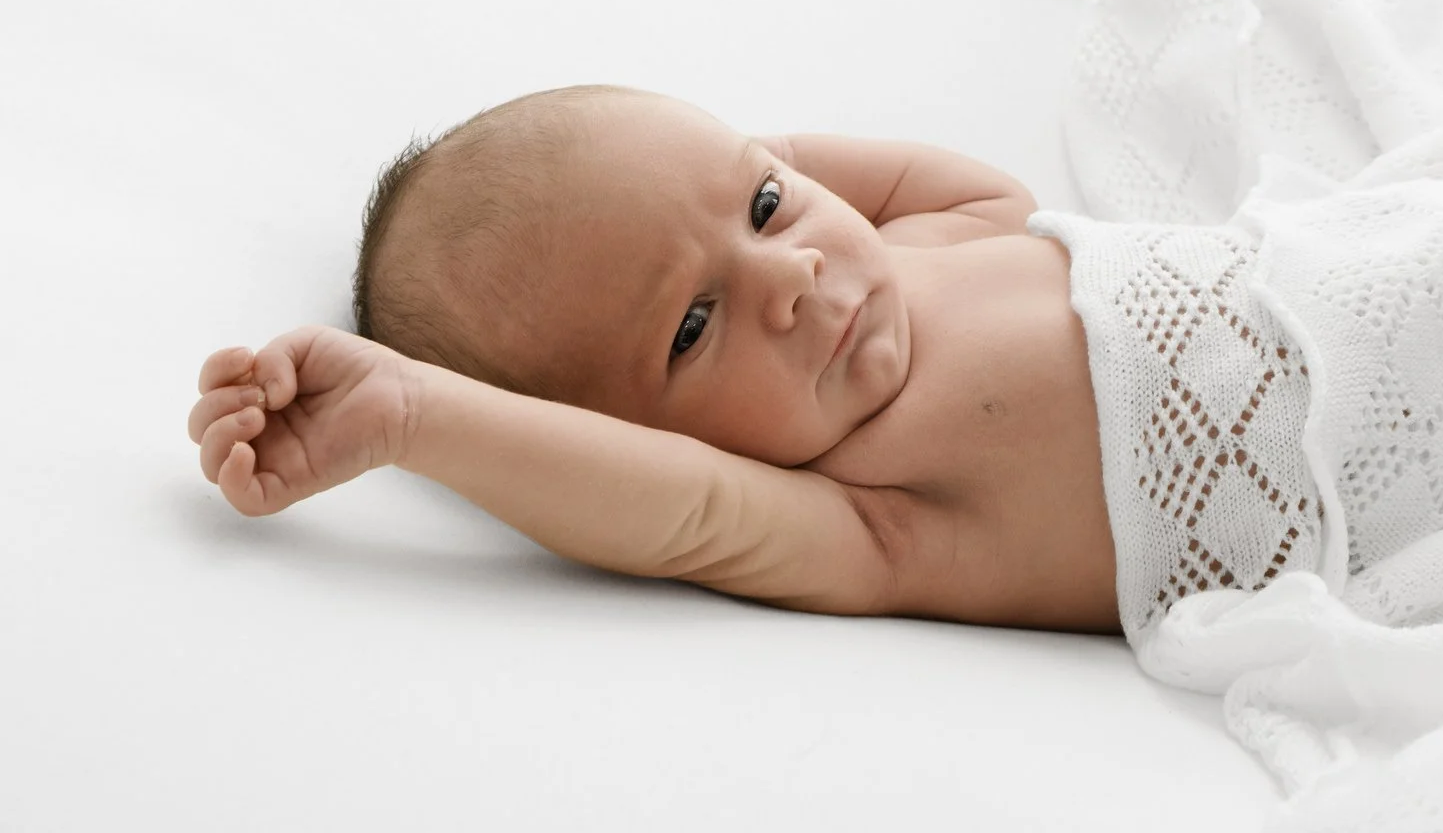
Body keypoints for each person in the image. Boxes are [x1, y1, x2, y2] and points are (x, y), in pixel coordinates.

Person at [187, 83, 1121, 633]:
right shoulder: (867, 519)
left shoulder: (944, 237)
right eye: (692, 328)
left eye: (765, 206)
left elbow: (973, 190)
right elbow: (679, 508)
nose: (793, 276)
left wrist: (729, 163)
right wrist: (411, 414)